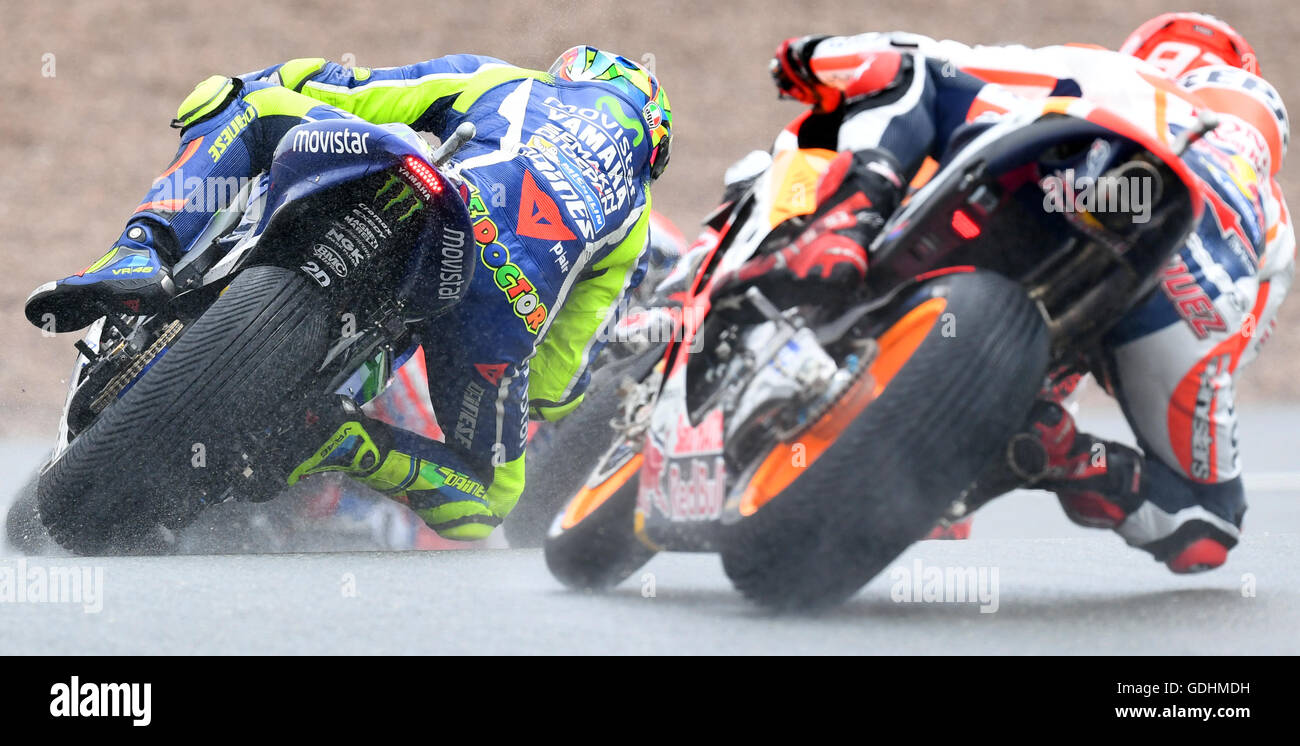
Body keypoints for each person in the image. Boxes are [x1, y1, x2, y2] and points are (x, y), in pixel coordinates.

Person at [24, 46, 673, 541]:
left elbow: (355, 90)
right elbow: (554, 383)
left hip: (427, 186)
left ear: (572, 74)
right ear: (652, 149)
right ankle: (343, 443)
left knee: (248, 103)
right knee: (489, 498)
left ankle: (140, 253)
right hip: (500, 302)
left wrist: (278, 81)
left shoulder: (508, 83)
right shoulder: (635, 225)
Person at [739, 13, 1290, 572]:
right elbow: (1233, 349)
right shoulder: (1277, 225)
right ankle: (1057, 452)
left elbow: (930, 59)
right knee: (1209, 522)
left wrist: (815, 58)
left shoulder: (1119, 72)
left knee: (913, 77)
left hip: (1065, 194)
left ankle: (846, 222)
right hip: (1191, 305)